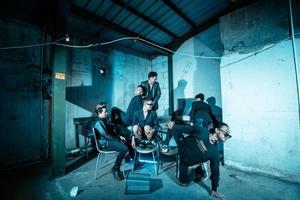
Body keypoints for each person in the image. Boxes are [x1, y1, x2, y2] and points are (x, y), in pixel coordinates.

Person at [167, 121, 231, 199]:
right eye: (226, 133)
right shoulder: (201, 131)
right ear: (217, 130)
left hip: (186, 162)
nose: (227, 136)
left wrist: (214, 189)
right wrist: (174, 126)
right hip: (182, 145)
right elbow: (184, 128)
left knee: (183, 183)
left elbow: (215, 171)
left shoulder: (215, 153)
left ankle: (199, 170)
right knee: (170, 127)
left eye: (228, 136)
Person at [94, 104, 134, 181]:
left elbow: (112, 132)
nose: (107, 113)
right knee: (124, 148)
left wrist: (119, 136)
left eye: (107, 111)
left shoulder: (104, 120)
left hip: (110, 140)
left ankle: (131, 160)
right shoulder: (99, 123)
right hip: (105, 144)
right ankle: (116, 169)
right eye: (105, 112)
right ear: (99, 113)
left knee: (127, 140)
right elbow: (107, 136)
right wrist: (119, 140)